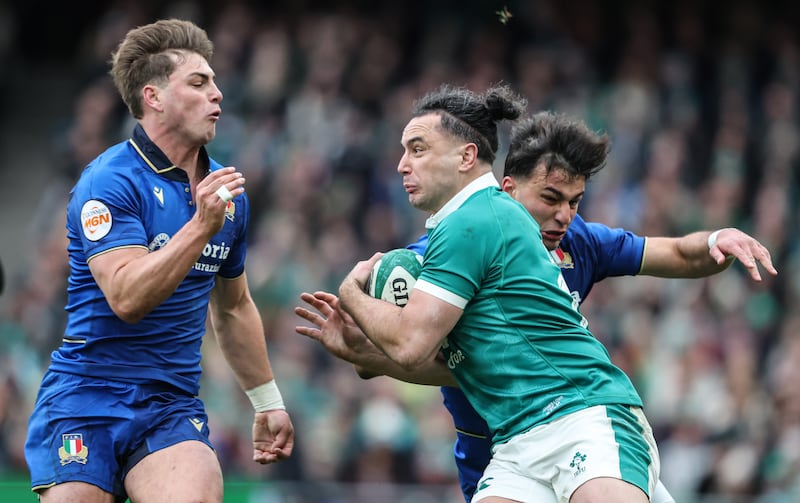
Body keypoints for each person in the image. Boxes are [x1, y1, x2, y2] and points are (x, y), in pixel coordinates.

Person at [296, 111, 777, 502]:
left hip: (579, 418)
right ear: (507, 190)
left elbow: (670, 252)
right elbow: (426, 355)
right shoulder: (439, 257)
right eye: (551, 198)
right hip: (500, 441)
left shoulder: (577, 242)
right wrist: (361, 350)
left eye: (575, 200)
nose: (565, 214)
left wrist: (717, 238)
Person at [332, 83, 661, 503]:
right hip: (517, 437)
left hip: (582, 414)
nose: (401, 165)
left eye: (417, 149)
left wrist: (350, 292)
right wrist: (359, 351)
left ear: (467, 156)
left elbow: (411, 345)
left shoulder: (475, 218)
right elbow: (436, 359)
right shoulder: (465, 224)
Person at [24, 19, 293, 503]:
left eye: (214, 81)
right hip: (85, 397)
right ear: (154, 97)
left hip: (168, 406)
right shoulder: (109, 181)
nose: (218, 94)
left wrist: (266, 401)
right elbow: (127, 297)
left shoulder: (226, 196)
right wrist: (199, 228)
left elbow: (232, 308)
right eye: (199, 82)